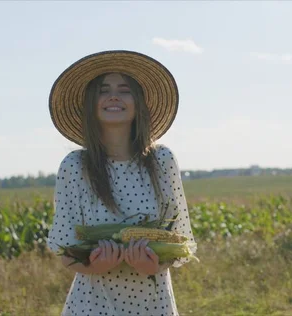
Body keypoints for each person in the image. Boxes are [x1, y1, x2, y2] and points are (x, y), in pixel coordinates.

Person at [46, 50, 197, 316]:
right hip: (92, 306)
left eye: (124, 90)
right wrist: (95, 267)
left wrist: (154, 266)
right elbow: (65, 249)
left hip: (153, 305)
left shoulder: (162, 161)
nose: (113, 96)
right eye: (103, 90)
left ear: (139, 102)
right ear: (91, 104)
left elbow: (180, 242)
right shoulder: (74, 167)